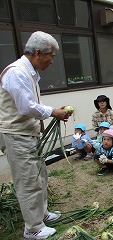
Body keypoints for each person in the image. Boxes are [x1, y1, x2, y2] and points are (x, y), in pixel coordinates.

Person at [0, 31, 70, 239]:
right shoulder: (17, 72)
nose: (52, 60)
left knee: (39, 175)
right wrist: (53, 112)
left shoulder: (29, 72)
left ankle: (41, 215)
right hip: (17, 134)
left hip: (28, 133)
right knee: (28, 180)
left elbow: (29, 105)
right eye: (52, 56)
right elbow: (25, 107)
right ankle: (32, 228)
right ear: (39, 53)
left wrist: (51, 112)